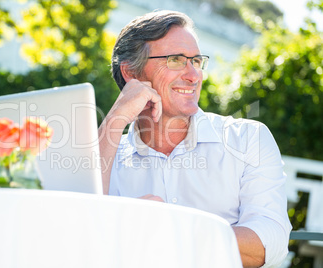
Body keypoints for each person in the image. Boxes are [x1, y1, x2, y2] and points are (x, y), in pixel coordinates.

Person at [98, 10, 291, 268]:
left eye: (197, 61)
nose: (193, 75)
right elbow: (78, 231)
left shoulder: (248, 139)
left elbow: (269, 245)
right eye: (176, 60)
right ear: (132, 73)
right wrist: (114, 120)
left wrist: (170, 229)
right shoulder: (106, 157)